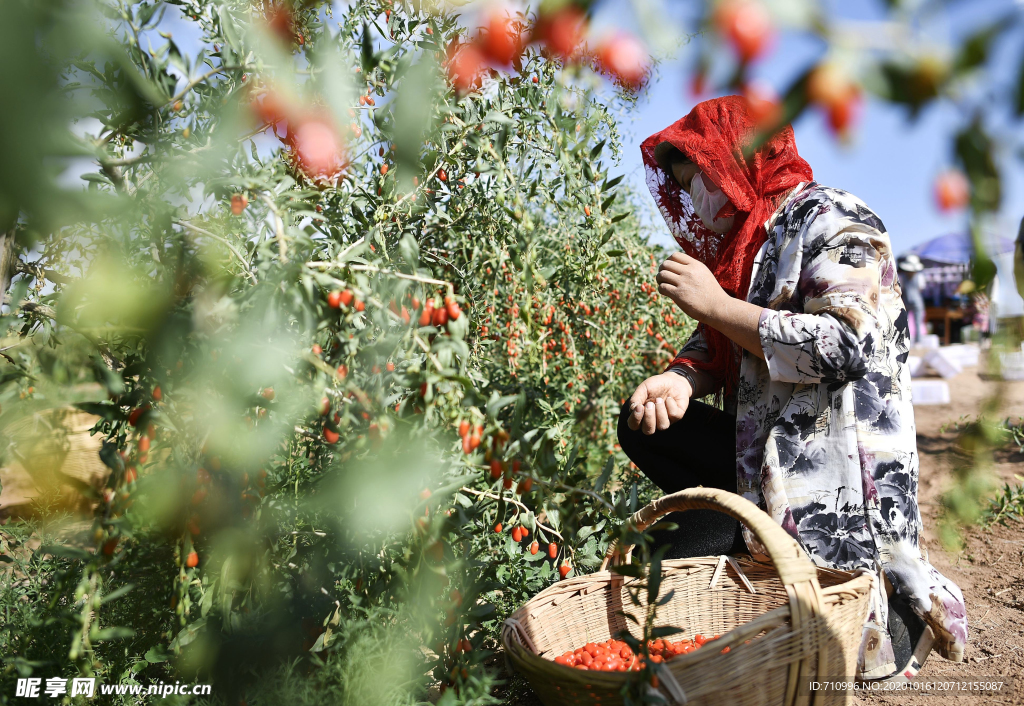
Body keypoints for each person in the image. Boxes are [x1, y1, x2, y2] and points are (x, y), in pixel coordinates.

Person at [616, 96, 967, 681]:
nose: (700, 199)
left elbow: (845, 346)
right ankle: (741, 553)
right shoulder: (747, 248)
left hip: (837, 468)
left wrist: (719, 304)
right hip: (765, 449)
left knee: (847, 655)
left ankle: (899, 611)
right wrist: (680, 378)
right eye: (687, 185)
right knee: (642, 422)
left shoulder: (835, 221)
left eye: (698, 177)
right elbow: (721, 338)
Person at [898, 255, 926, 345]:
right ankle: (905, 340)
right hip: (906, 301)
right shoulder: (902, 277)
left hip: (914, 301)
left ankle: (918, 341)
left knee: (918, 322)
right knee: (904, 322)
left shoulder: (919, 277)